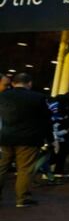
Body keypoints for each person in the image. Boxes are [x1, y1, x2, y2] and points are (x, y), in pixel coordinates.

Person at [0, 72, 53, 208]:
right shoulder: (39, 97)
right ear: (29, 83)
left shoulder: (3, 96)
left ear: (13, 83)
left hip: (5, 137)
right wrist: (50, 139)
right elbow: (46, 121)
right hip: (29, 139)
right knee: (24, 169)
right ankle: (22, 199)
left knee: (2, 167)